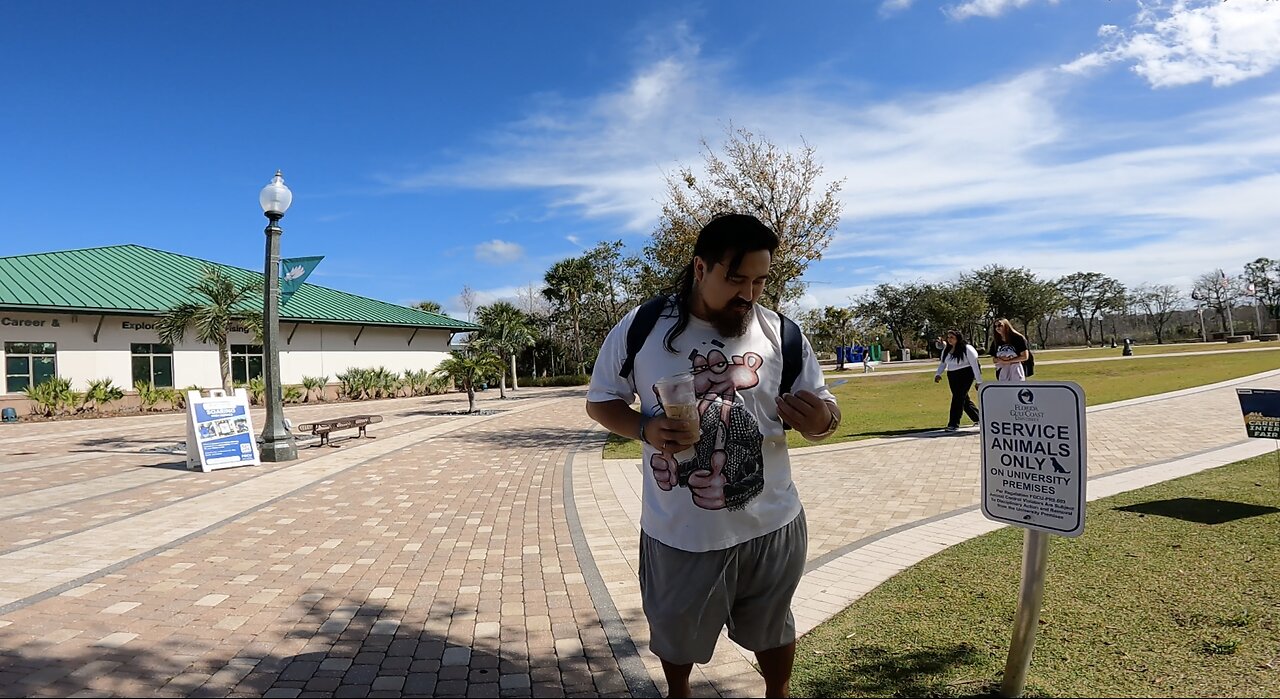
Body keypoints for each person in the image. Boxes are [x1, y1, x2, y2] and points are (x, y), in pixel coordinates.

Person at [585, 213, 841, 699]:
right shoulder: (643, 327)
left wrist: (819, 423)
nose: (749, 293)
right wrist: (644, 426)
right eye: (737, 278)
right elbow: (601, 400)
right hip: (679, 531)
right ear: (701, 268)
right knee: (677, 637)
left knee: (773, 630)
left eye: (761, 280)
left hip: (771, 523)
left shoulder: (780, 334)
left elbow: (825, 411)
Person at [933, 329, 982, 432]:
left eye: (952, 337)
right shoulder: (946, 350)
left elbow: (975, 365)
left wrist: (979, 381)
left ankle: (953, 424)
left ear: (958, 338)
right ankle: (979, 418)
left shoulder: (967, 348)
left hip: (966, 374)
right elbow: (943, 363)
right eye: (949, 337)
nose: (949, 339)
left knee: (958, 398)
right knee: (963, 399)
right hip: (952, 374)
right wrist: (938, 374)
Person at [990, 318, 1030, 383]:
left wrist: (1008, 361)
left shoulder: (1018, 338)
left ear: (1006, 325)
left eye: (1000, 325)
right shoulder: (996, 341)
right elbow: (994, 359)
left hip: (1016, 370)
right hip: (1002, 371)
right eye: (995, 326)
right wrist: (1000, 359)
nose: (997, 328)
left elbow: (1025, 357)